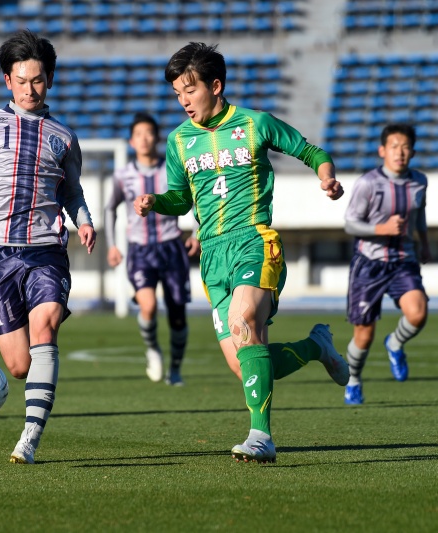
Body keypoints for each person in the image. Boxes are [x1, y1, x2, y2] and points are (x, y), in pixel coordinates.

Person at [133, 42, 349, 464]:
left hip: (254, 240)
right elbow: (181, 199)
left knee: (242, 318)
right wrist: (156, 201)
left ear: (215, 86)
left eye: (189, 90)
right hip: (212, 256)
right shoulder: (179, 142)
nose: (183, 101)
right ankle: (314, 347)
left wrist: (328, 177)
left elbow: (312, 151)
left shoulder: (255, 123)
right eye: (177, 93)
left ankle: (261, 437)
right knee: (245, 363)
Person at [0, 30, 96, 464]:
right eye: (22, 80)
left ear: (50, 80)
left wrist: (83, 220)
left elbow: (73, 191)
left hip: (46, 249)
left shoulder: (63, 137)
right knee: (19, 366)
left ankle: (29, 437)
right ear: (8, 80)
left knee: (46, 328)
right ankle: (20, 396)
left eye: (38, 80)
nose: (30, 89)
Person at [104, 112, 199, 385]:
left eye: (149, 133)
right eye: (138, 135)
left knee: (177, 314)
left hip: (171, 248)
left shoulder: (173, 169)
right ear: (132, 141)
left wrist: (196, 232)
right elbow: (110, 208)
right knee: (147, 305)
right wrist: (112, 246)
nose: (144, 139)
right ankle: (153, 349)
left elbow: (194, 199)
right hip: (140, 250)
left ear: (157, 138)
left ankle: (176, 369)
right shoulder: (123, 175)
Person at [343, 124, 430, 405]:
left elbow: (419, 215)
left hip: (403, 261)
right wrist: (382, 229)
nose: (400, 152)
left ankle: (395, 343)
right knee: (364, 335)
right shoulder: (368, 183)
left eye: (405, 147)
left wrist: (424, 242)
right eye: (394, 146)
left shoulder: (419, 181)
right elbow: (350, 223)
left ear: (413, 152)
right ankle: (353, 380)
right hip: (369, 264)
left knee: (418, 314)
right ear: (383, 151)